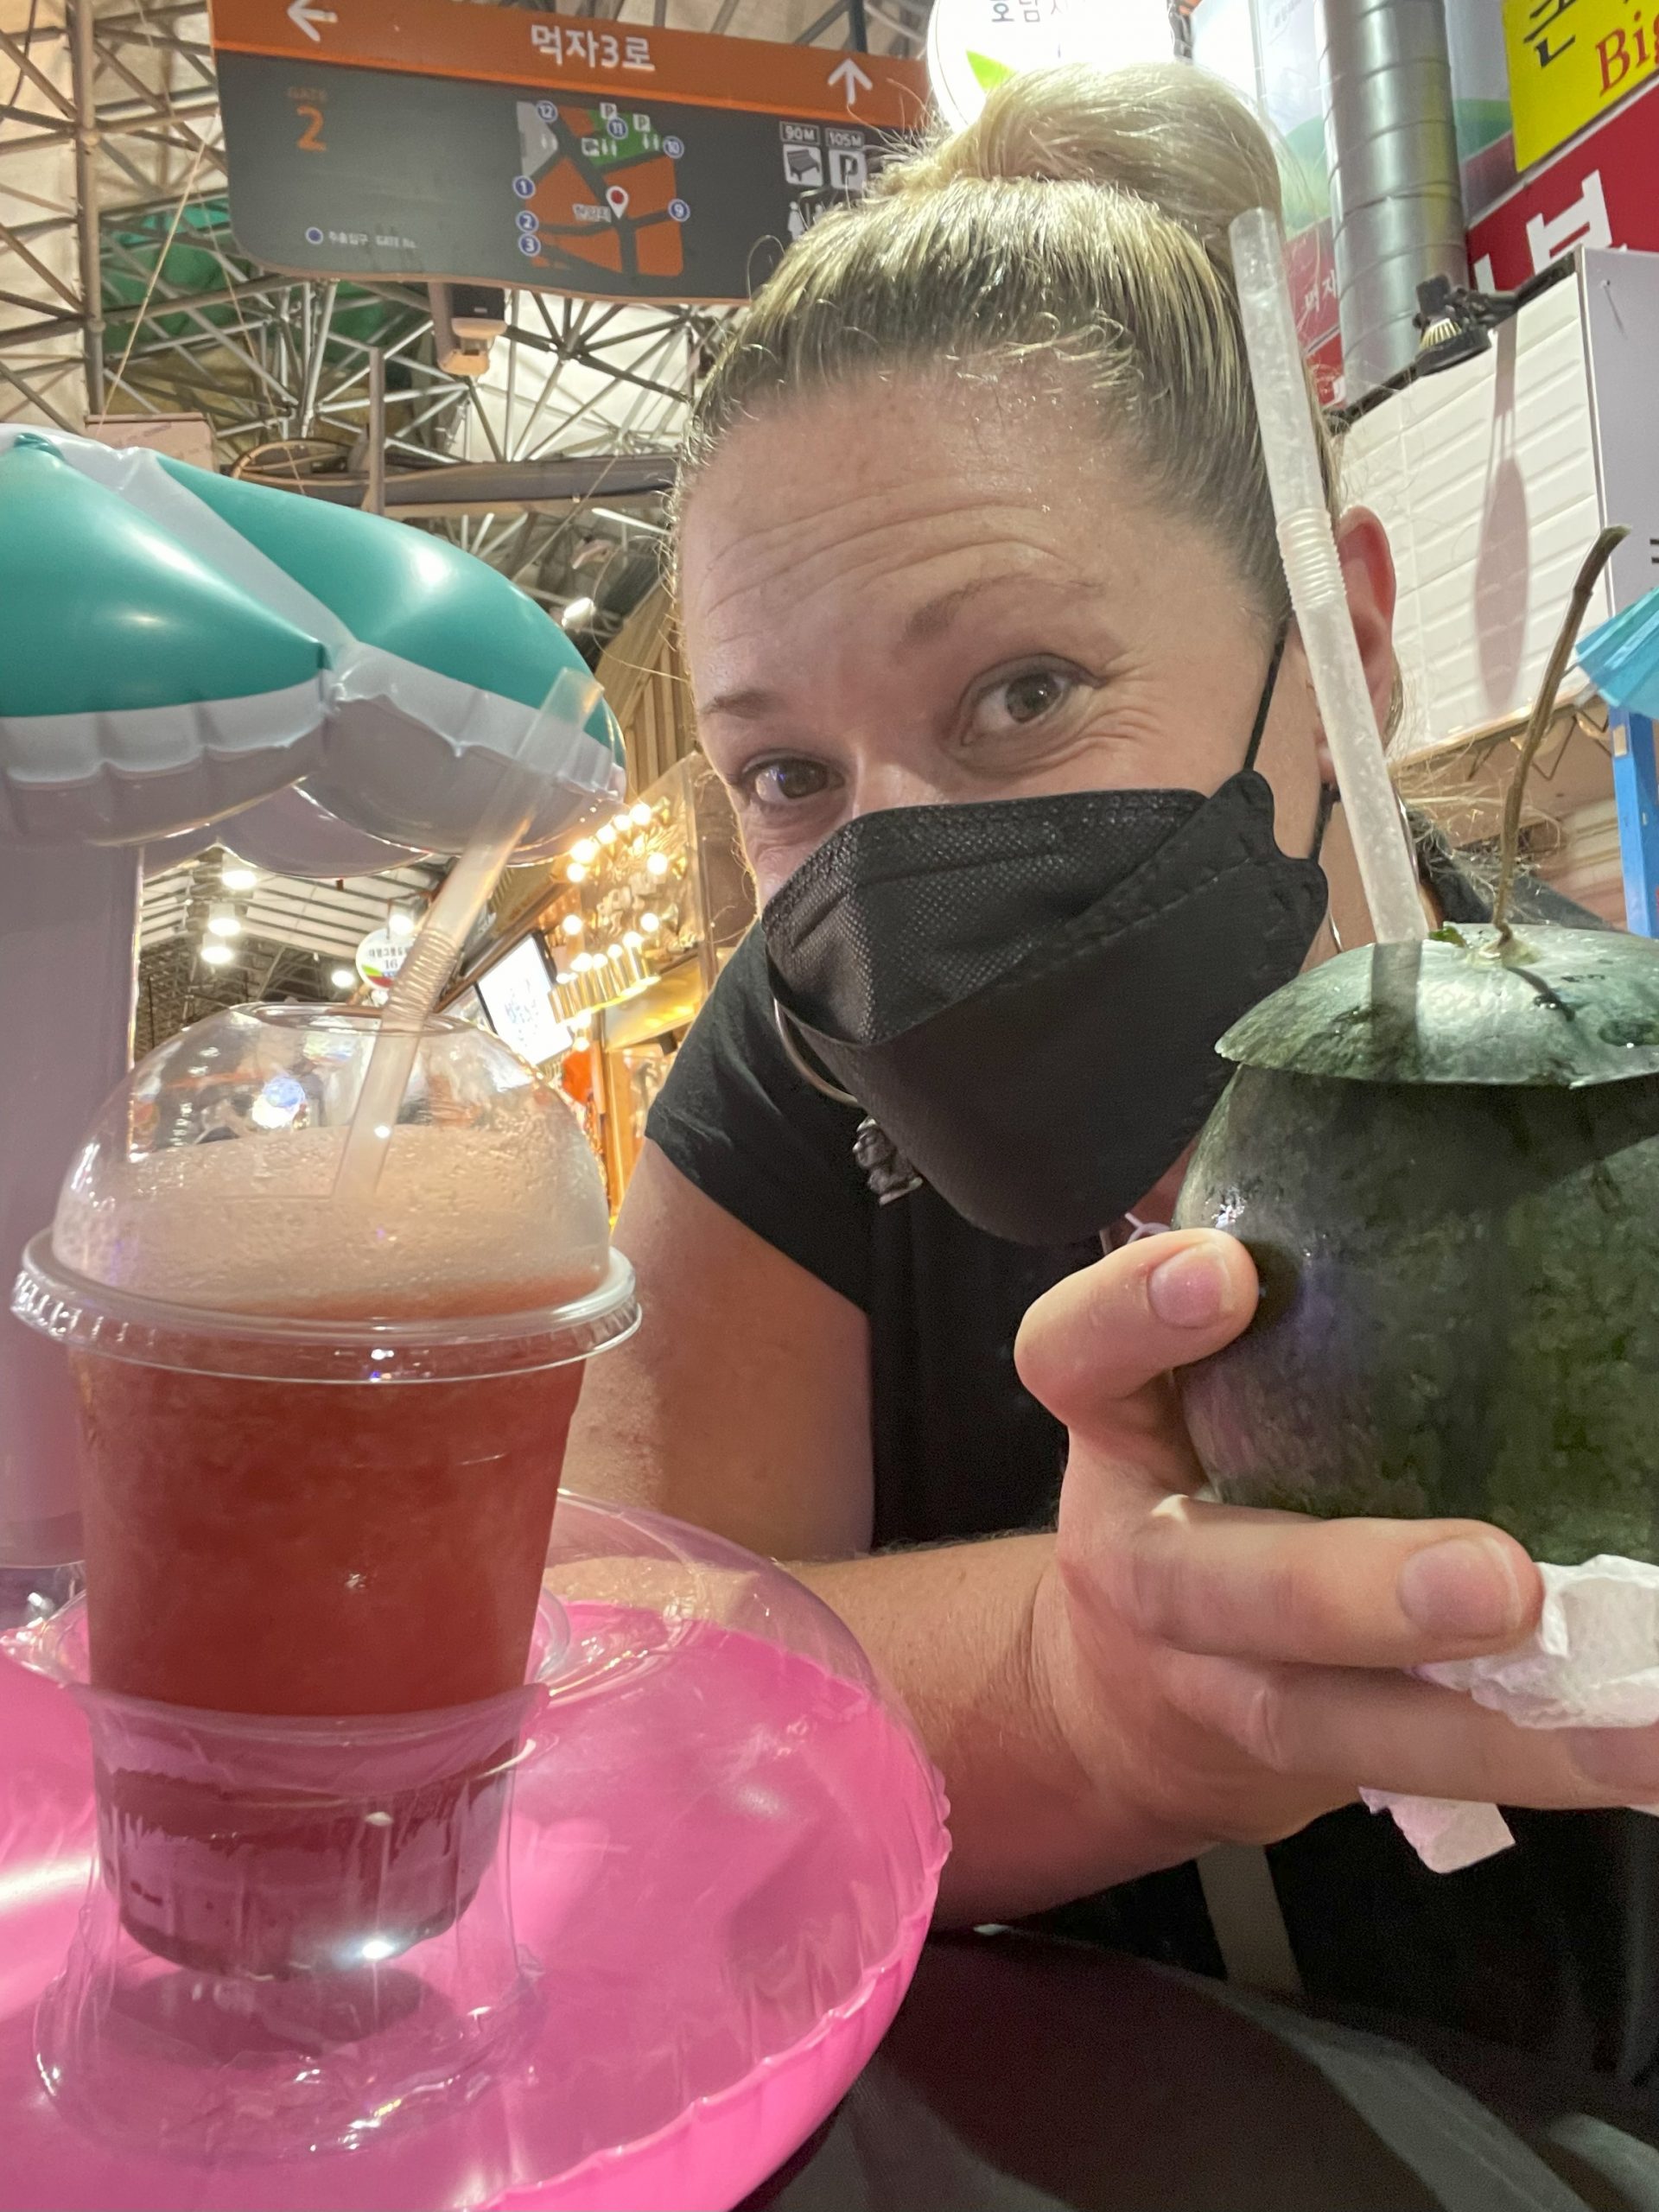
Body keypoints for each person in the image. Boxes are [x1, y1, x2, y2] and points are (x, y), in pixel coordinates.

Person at [563, 63, 1659, 2085]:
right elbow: (604, 1680)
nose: (891, 867)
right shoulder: (799, 1067)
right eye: (787, 770)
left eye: (1024, 689)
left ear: (1346, 633)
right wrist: (1083, 1696)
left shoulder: (1605, 1112)